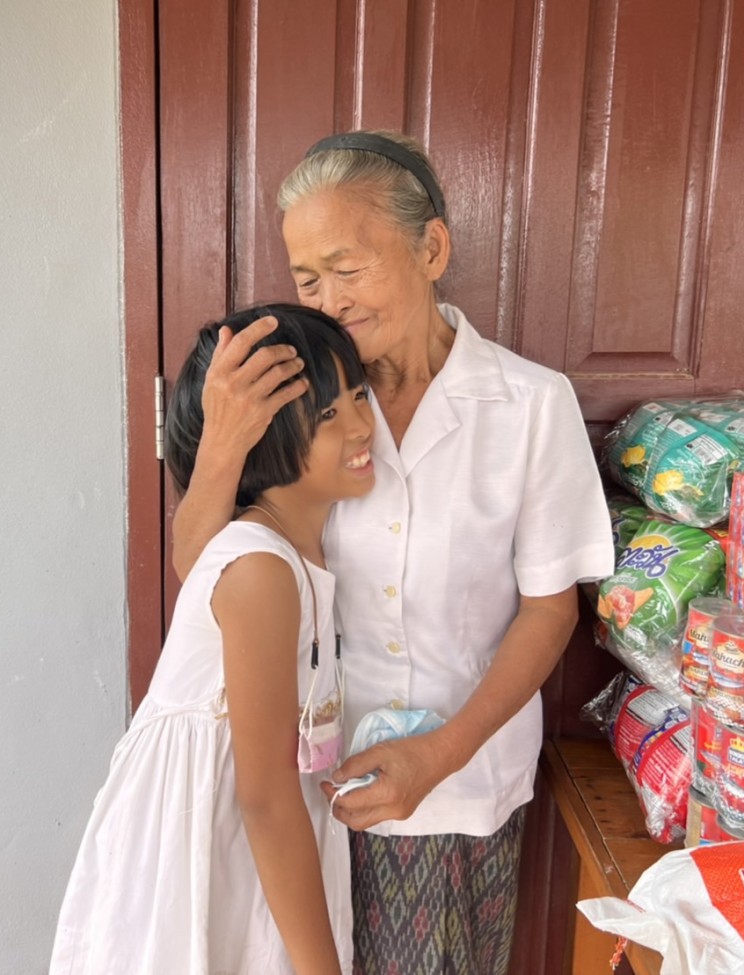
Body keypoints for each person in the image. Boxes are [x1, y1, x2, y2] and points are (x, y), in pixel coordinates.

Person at [171, 131, 614, 975]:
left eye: (349, 267)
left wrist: (440, 753)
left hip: (462, 788)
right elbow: (208, 573)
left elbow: (550, 608)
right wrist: (223, 442)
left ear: (431, 248)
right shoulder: (300, 402)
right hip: (307, 789)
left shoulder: (529, 405)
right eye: (308, 279)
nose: (329, 300)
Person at [51, 303, 376, 975]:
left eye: (360, 396)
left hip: (244, 845)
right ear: (258, 438)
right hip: (202, 847)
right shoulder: (259, 568)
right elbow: (265, 798)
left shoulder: (296, 550)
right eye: (327, 413)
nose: (362, 425)